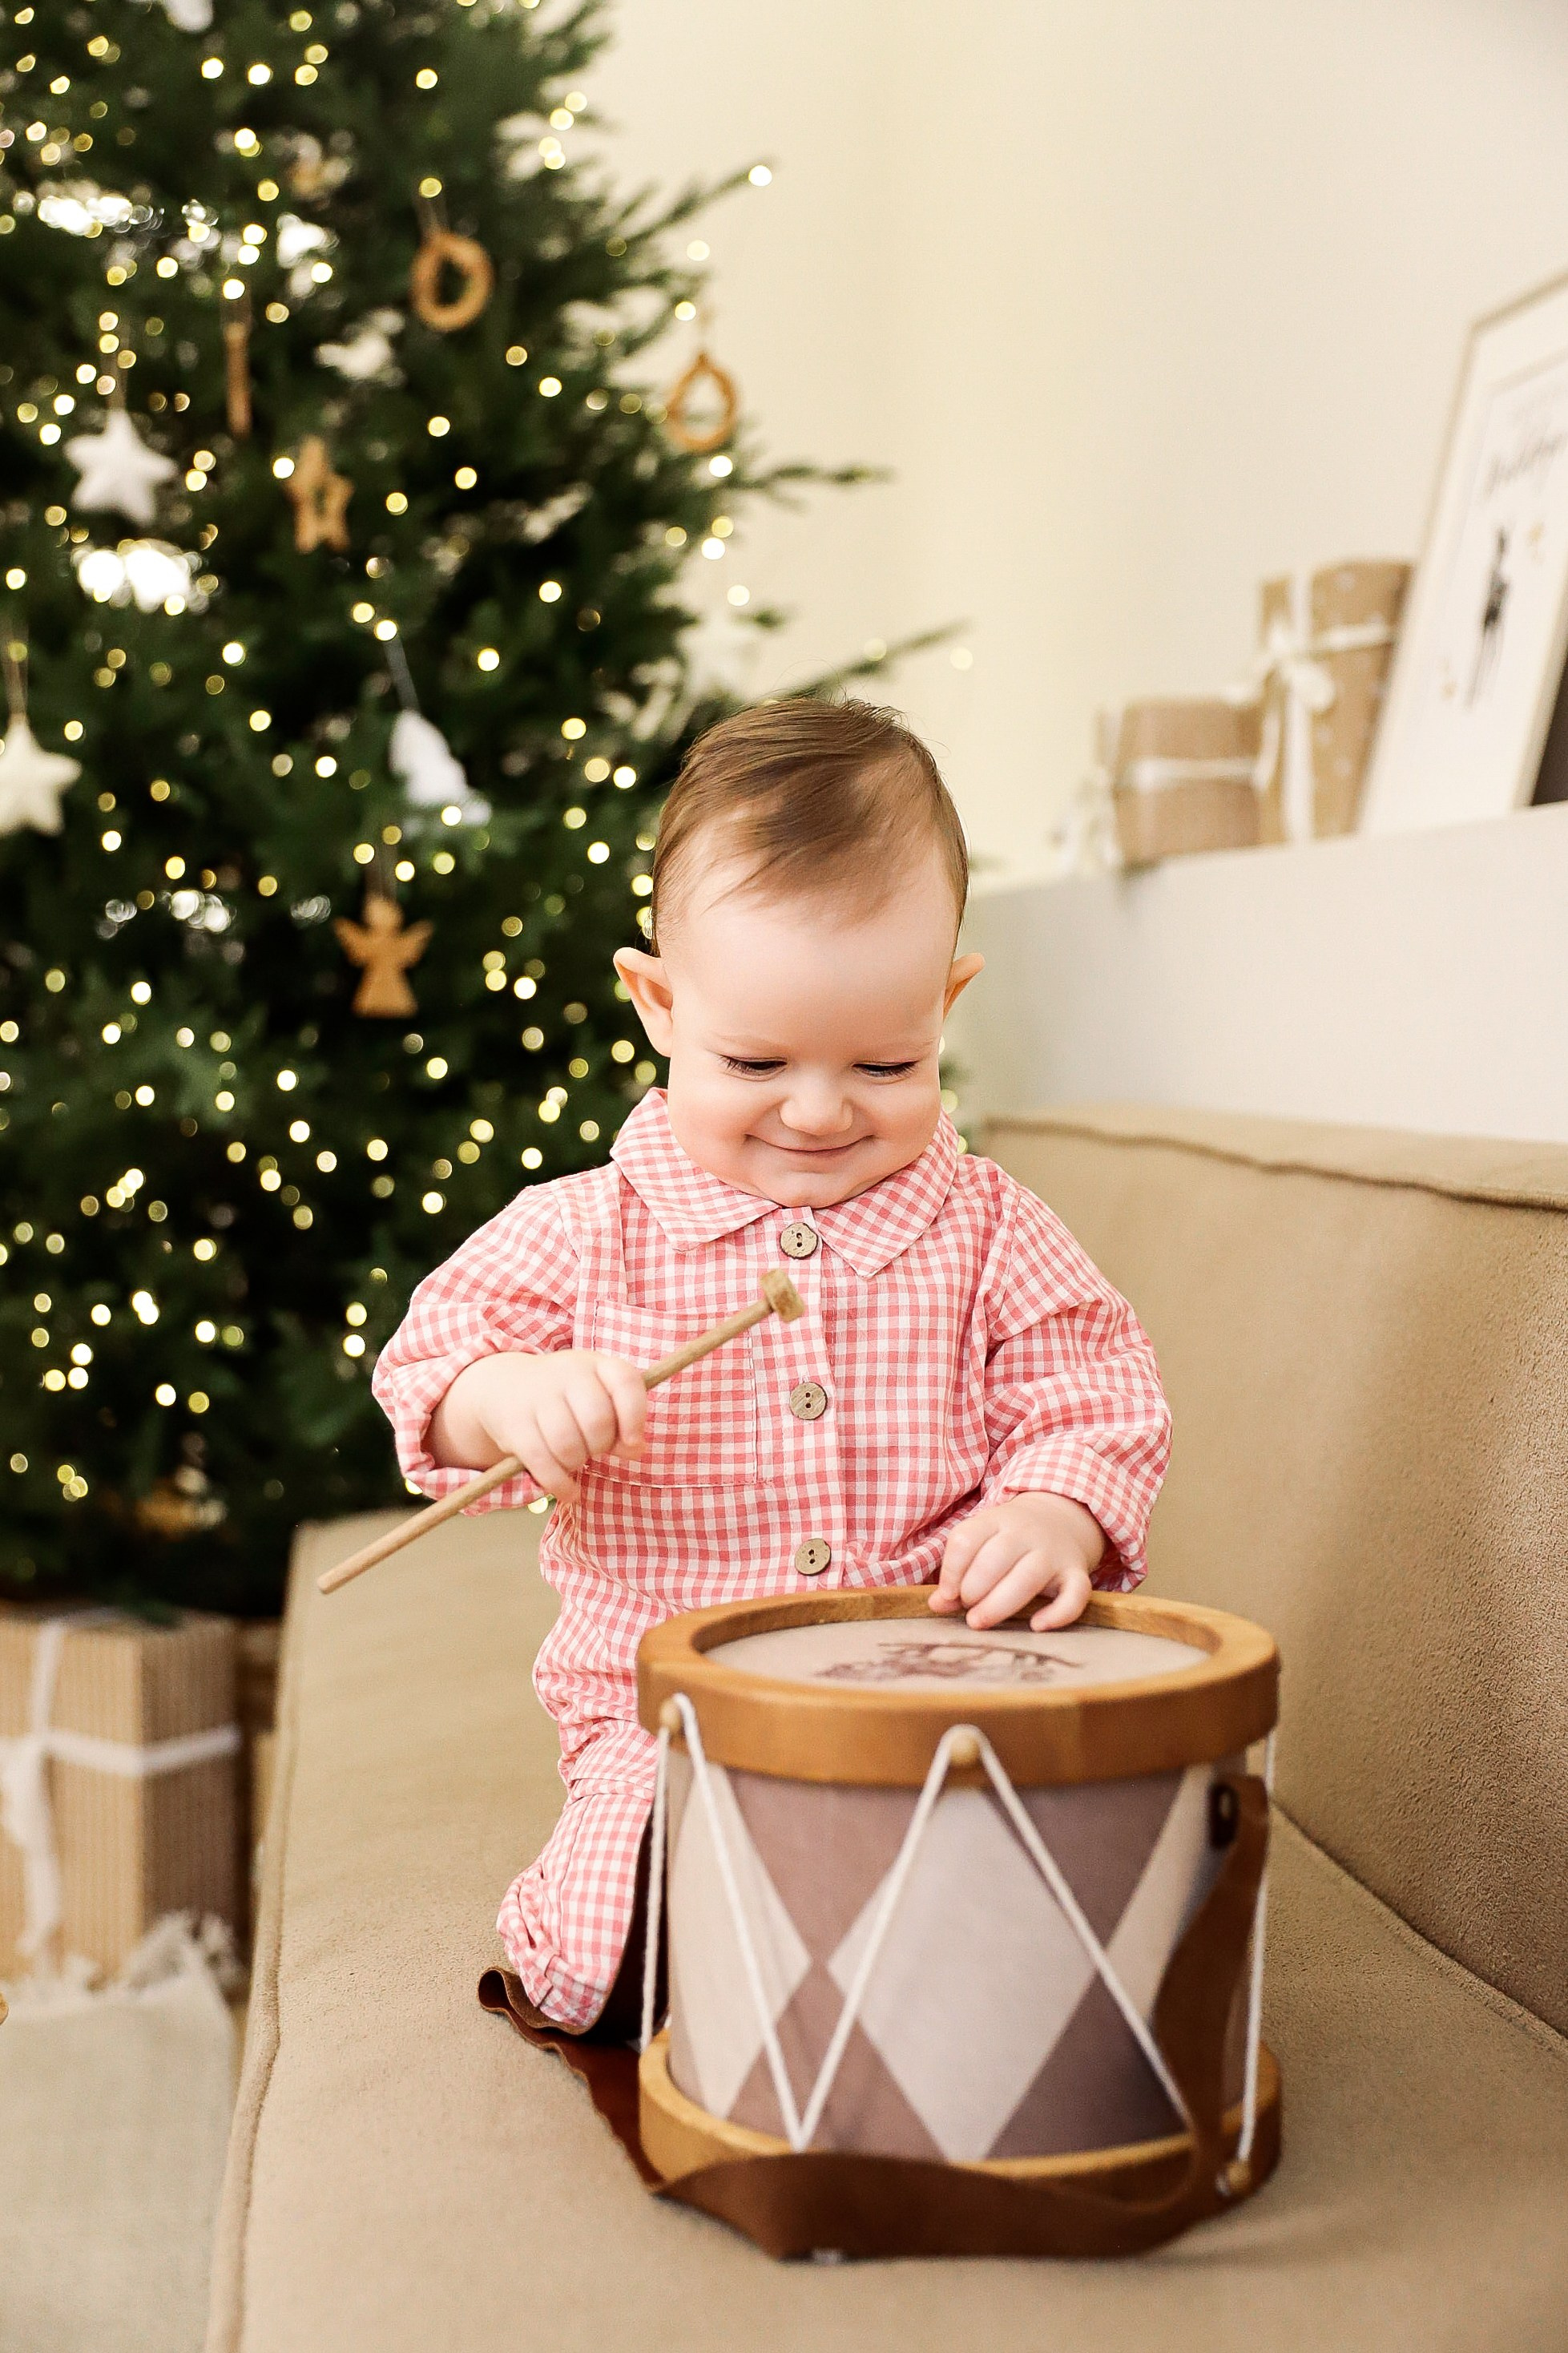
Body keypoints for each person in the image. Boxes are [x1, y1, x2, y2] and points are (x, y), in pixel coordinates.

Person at [373, 700, 1171, 2035]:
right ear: (656, 1002)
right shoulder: (585, 1227)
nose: (817, 1109)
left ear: (946, 1004)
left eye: (885, 1061)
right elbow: (430, 1366)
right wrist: (508, 1398)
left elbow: (1091, 1388)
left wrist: (1051, 1509)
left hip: (938, 1687)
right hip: (666, 1705)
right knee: (633, 1908)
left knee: (1032, 1894)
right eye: (753, 1061)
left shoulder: (985, 1226)